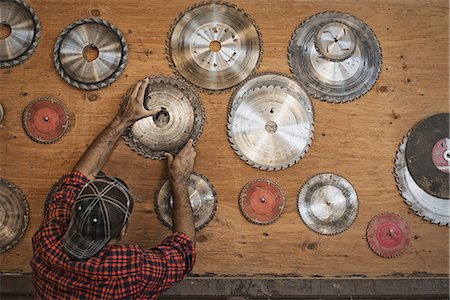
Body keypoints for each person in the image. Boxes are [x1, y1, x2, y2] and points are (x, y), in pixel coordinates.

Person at [31, 78, 197, 299]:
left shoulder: (46, 245)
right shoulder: (131, 273)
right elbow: (184, 251)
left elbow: (77, 177)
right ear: (122, 232)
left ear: (72, 212)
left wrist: (122, 119)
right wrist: (179, 180)